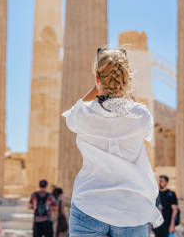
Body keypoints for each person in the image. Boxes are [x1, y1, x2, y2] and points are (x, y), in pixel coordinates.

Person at [62, 47, 164, 237]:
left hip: (89, 205)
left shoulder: (82, 114)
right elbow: (132, 111)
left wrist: (97, 86)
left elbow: (71, 115)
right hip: (132, 210)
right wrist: (123, 90)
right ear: (127, 78)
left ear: (97, 78)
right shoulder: (141, 115)